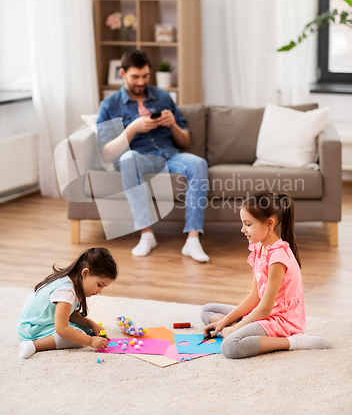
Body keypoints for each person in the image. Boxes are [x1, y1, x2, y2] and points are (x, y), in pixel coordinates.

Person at [97, 49, 209, 262]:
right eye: (135, 76)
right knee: (126, 159)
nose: (141, 81)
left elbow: (185, 141)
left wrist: (173, 124)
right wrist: (133, 128)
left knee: (199, 163)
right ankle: (146, 234)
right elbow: (106, 153)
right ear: (123, 74)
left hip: (170, 155)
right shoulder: (109, 106)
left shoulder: (163, 97)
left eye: (145, 76)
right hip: (140, 157)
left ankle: (192, 238)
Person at [201, 191, 333, 359]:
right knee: (207, 310)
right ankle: (245, 329)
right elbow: (254, 297)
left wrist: (235, 328)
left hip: (281, 319)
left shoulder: (278, 257)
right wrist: (224, 323)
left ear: (269, 224)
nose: (242, 229)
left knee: (230, 346)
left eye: (248, 224)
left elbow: (265, 308)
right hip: (262, 313)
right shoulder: (258, 248)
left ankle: (295, 342)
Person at [18, 247, 118, 360]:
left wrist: (91, 324)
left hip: (36, 323)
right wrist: (90, 341)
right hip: (32, 329)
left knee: (81, 331)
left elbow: (70, 314)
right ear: (85, 273)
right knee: (78, 337)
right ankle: (33, 346)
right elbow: (61, 328)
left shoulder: (69, 281)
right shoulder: (65, 292)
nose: (100, 291)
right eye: (99, 285)